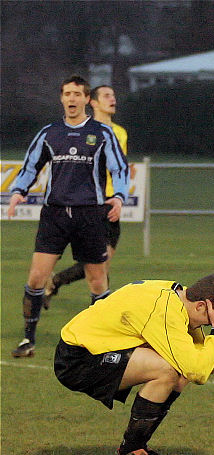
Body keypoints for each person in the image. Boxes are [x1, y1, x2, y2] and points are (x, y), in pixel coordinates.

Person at [55, 274, 214, 455]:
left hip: (96, 348)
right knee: (167, 370)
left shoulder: (180, 299)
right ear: (201, 306)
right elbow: (198, 371)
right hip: (78, 358)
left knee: (180, 372)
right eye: (208, 321)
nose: (207, 326)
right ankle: (130, 452)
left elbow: (206, 365)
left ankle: (136, 447)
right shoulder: (165, 311)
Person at [8, 75, 129, 358]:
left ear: (87, 100)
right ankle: (28, 340)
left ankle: (100, 342)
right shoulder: (49, 133)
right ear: (61, 98)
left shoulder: (102, 133)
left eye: (77, 94)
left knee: (98, 282)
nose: (71, 99)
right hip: (55, 215)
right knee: (37, 278)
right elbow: (30, 166)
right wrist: (18, 192)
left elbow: (119, 169)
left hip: (91, 215)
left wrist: (120, 197)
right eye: (67, 94)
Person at [44, 84, 131, 309]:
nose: (112, 99)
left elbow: (117, 167)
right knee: (99, 266)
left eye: (113, 95)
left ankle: (55, 282)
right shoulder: (86, 130)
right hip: (91, 204)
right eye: (106, 95)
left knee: (102, 265)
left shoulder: (120, 133)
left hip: (111, 203)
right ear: (92, 101)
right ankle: (100, 317)